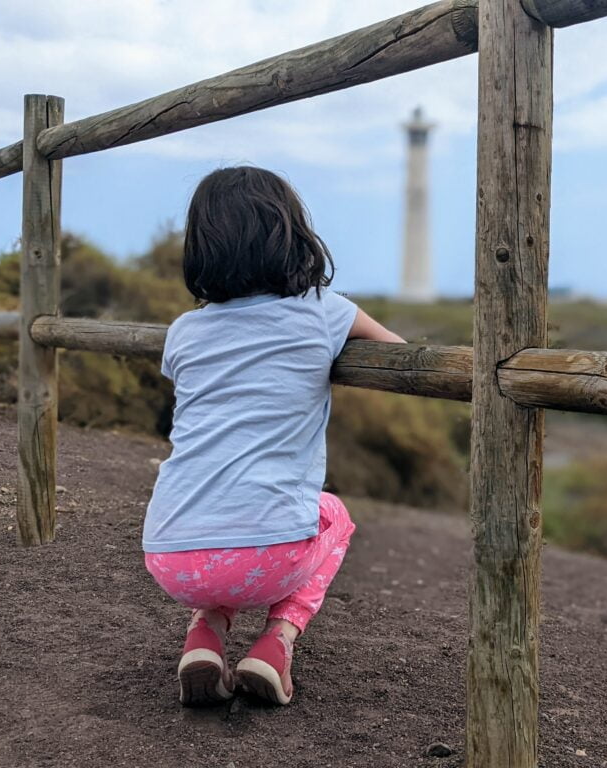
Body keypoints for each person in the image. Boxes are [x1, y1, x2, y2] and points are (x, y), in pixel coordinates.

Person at [142, 166, 405, 706]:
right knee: (335, 515)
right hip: (269, 554)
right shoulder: (323, 312)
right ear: (290, 236)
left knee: (226, 531)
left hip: (170, 555)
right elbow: (399, 354)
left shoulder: (182, 331)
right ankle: (276, 643)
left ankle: (206, 632)